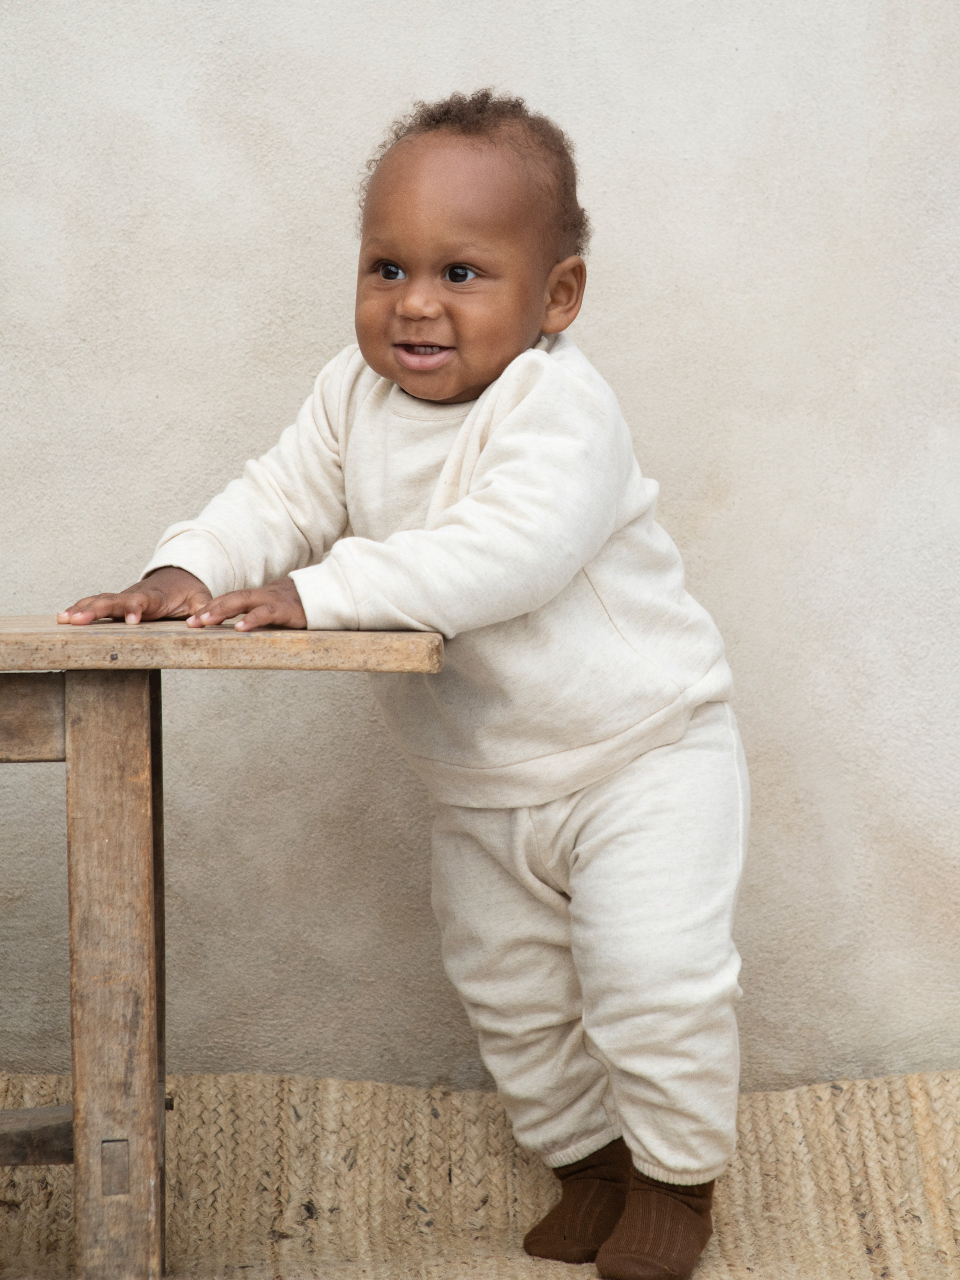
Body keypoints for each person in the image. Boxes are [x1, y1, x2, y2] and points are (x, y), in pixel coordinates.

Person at [59, 89, 749, 1280]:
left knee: (653, 978)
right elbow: (277, 495)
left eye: (462, 273)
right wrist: (188, 567)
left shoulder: (558, 405)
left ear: (557, 297)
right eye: (388, 267)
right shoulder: (354, 394)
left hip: (643, 756)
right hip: (482, 780)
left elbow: (508, 552)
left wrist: (319, 591)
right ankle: (589, 1160)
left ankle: (676, 1177)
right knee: (513, 996)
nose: (416, 302)